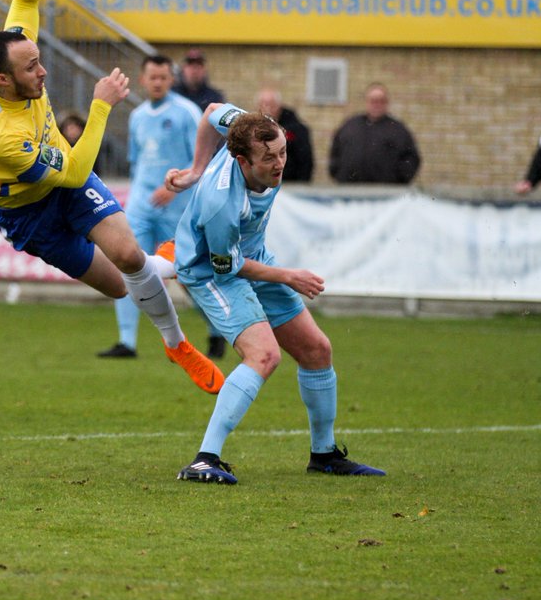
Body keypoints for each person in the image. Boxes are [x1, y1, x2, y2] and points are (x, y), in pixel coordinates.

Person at [0, 0, 223, 395]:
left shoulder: (15, 58)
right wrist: (100, 106)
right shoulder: (2, 136)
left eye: (39, 59)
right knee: (120, 286)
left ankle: (177, 345)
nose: (42, 72)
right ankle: (168, 262)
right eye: (31, 67)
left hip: (65, 184)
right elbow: (77, 171)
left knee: (128, 257)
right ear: (1, 80)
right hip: (29, 213)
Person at [165, 103, 385, 484]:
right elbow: (228, 267)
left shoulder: (250, 127)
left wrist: (195, 168)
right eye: (268, 158)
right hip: (210, 272)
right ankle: (205, 459)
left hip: (253, 258)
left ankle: (325, 454)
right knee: (263, 355)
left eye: (283, 151)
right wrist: (288, 276)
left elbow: (212, 110)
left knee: (317, 350)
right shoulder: (222, 204)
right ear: (242, 161)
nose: (279, 163)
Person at [98, 55, 229, 361]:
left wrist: (176, 185)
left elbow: (203, 157)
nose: (157, 83)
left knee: (185, 275)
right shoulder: (138, 116)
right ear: (142, 80)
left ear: (172, 80)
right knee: (127, 269)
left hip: (177, 209)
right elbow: (138, 161)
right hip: (141, 207)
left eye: (163, 77)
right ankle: (127, 342)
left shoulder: (186, 112)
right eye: (152, 77)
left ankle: (216, 331)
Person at [328, 82, 420, 184]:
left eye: (381, 101)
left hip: (386, 193)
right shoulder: (350, 125)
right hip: (350, 191)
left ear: (387, 103)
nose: (377, 104)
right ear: (366, 102)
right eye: (373, 101)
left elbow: (411, 158)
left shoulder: (398, 130)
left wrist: (400, 179)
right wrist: (337, 173)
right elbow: (335, 152)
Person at [256, 88, 314, 182]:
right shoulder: (255, 128)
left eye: (271, 105)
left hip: (289, 182)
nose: (267, 109)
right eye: (263, 104)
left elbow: (305, 160)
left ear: (278, 106)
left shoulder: (296, 129)